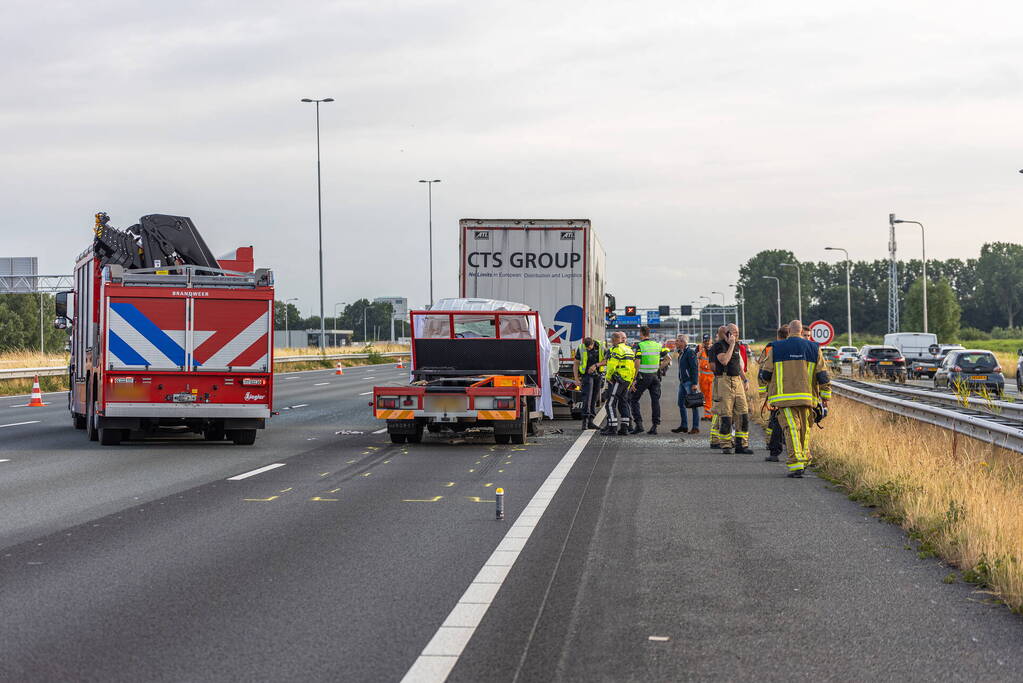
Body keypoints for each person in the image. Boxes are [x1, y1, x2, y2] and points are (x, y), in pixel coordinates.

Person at [759, 320, 832, 477]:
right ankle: (804, 458)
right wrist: (826, 396)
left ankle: (796, 463)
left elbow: (765, 374)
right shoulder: (814, 348)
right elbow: (823, 375)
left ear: (789, 330)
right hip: (808, 399)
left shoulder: (776, 348)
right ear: (801, 331)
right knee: (805, 429)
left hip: (784, 399)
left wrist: (764, 391)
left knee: (791, 428)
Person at [711, 323, 753, 455]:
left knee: (743, 413)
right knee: (726, 415)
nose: (737, 334)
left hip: (737, 380)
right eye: (734, 332)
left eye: (737, 332)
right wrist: (731, 345)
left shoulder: (737, 345)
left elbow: (737, 365)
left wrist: (745, 379)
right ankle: (726, 445)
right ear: (727, 333)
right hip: (724, 380)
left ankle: (742, 445)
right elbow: (724, 361)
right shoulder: (719, 346)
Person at [629, 326, 670, 434]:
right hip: (655, 377)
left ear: (641, 333)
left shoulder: (640, 346)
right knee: (655, 401)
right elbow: (668, 359)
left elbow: (637, 362)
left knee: (634, 399)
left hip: (643, 377)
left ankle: (639, 424)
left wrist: (634, 379)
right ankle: (654, 426)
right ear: (649, 333)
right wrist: (658, 368)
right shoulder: (657, 345)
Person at [760, 326, 789, 462]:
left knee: (776, 421)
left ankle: (774, 450)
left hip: (777, 393)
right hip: (796, 393)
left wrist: (764, 391)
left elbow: (764, 373)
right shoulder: (799, 348)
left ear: (778, 336)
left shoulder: (773, 348)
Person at [600, 331, 636, 436]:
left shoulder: (617, 350)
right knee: (623, 403)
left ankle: (612, 427)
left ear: (614, 339)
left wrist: (608, 378)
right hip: (627, 380)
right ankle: (624, 428)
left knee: (610, 404)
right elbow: (633, 367)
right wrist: (631, 381)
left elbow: (611, 366)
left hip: (617, 380)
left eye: (612, 340)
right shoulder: (629, 350)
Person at [573, 336, 606, 430]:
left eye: (589, 347)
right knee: (587, 398)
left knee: (594, 398)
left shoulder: (601, 347)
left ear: (593, 344)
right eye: (586, 347)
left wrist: (596, 365)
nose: (587, 349)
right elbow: (576, 363)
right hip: (587, 376)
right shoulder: (581, 348)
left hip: (598, 375)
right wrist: (576, 379)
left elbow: (607, 360)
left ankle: (591, 421)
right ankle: (585, 422)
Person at [671, 334, 700, 434]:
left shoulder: (690, 353)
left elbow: (694, 368)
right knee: (681, 404)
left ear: (683, 342)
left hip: (689, 382)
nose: (676, 342)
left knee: (693, 404)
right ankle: (684, 426)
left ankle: (695, 427)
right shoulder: (681, 353)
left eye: (678, 341)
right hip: (682, 382)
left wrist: (695, 383)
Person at [696, 333, 715, 421]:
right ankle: (707, 414)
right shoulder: (700, 347)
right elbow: (697, 357)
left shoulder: (715, 347)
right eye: (705, 340)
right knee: (704, 396)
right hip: (703, 376)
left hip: (711, 376)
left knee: (709, 396)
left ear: (711, 340)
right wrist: (702, 349)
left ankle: (709, 415)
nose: (707, 342)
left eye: (708, 340)